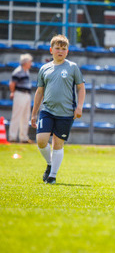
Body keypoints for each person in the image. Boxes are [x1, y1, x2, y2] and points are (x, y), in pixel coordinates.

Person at [31, 34, 86, 185]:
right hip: (47, 110)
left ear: (67, 51)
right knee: (41, 141)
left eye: (63, 48)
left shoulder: (72, 67)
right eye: (57, 48)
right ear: (51, 50)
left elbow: (81, 88)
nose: (60, 51)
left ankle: (52, 176)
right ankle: (50, 164)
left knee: (57, 144)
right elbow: (39, 92)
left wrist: (79, 107)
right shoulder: (44, 69)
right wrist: (34, 113)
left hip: (66, 113)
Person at [8, 53, 33, 143]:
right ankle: (12, 137)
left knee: (26, 116)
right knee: (16, 116)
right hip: (19, 93)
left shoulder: (26, 71)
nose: (31, 63)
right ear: (25, 62)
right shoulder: (18, 71)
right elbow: (12, 83)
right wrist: (12, 92)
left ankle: (24, 137)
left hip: (27, 94)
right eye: (30, 62)